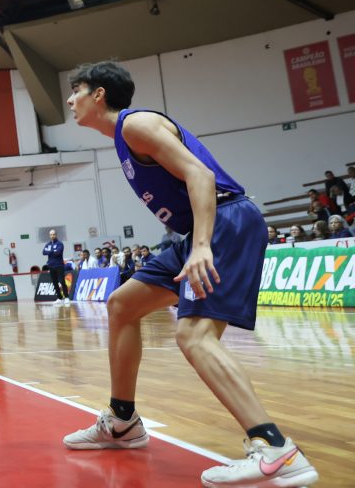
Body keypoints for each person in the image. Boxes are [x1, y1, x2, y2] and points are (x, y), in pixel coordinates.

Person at [61, 61, 318, 487]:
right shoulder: (124, 138)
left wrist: (201, 246)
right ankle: (122, 422)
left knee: (194, 335)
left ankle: (275, 448)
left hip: (226, 222)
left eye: (76, 91)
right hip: (198, 230)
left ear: (99, 94)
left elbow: (201, 174)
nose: (71, 100)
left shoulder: (136, 124)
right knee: (122, 305)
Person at [42, 230, 70, 305]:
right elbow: (43, 252)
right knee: (54, 283)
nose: (52, 236)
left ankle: (66, 297)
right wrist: (53, 251)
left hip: (59, 265)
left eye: (53, 234)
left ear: (56, 235)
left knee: (62, 282)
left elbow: (58, 252)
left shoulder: (60, 244)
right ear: (49, 236)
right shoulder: (48, 244)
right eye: (51, 234)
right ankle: (59, 298)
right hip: (51, 266)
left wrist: (50, 251)